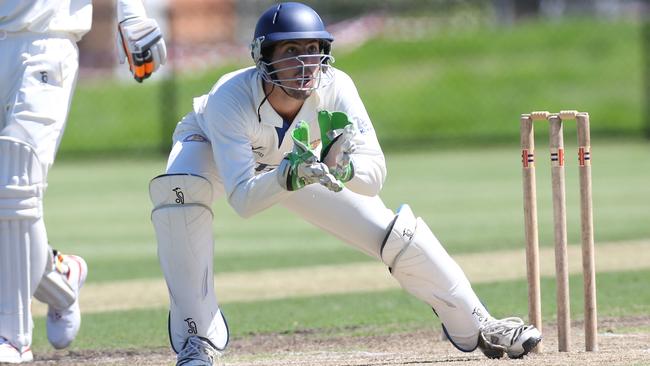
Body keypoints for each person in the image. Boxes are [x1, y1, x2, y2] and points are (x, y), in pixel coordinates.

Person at [149, 2, 542, 365]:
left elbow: (374, 175)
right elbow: (244, 199)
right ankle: (194, 338)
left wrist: (343, 170)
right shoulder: (229, 98)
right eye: (290, 52)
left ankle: (478, 322)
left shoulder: (336, 86)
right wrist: (290, 174)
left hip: (303, 159)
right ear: (262, 57)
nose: (305, 64)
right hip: (214, 149)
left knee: (395, 232)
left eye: (313, 50)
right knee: (179, 190)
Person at [0, 0, 166, 363]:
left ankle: (11, 336)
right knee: (8, 204)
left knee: (16, 183)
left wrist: (133, 14)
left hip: (43, 39)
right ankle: (61, 279)